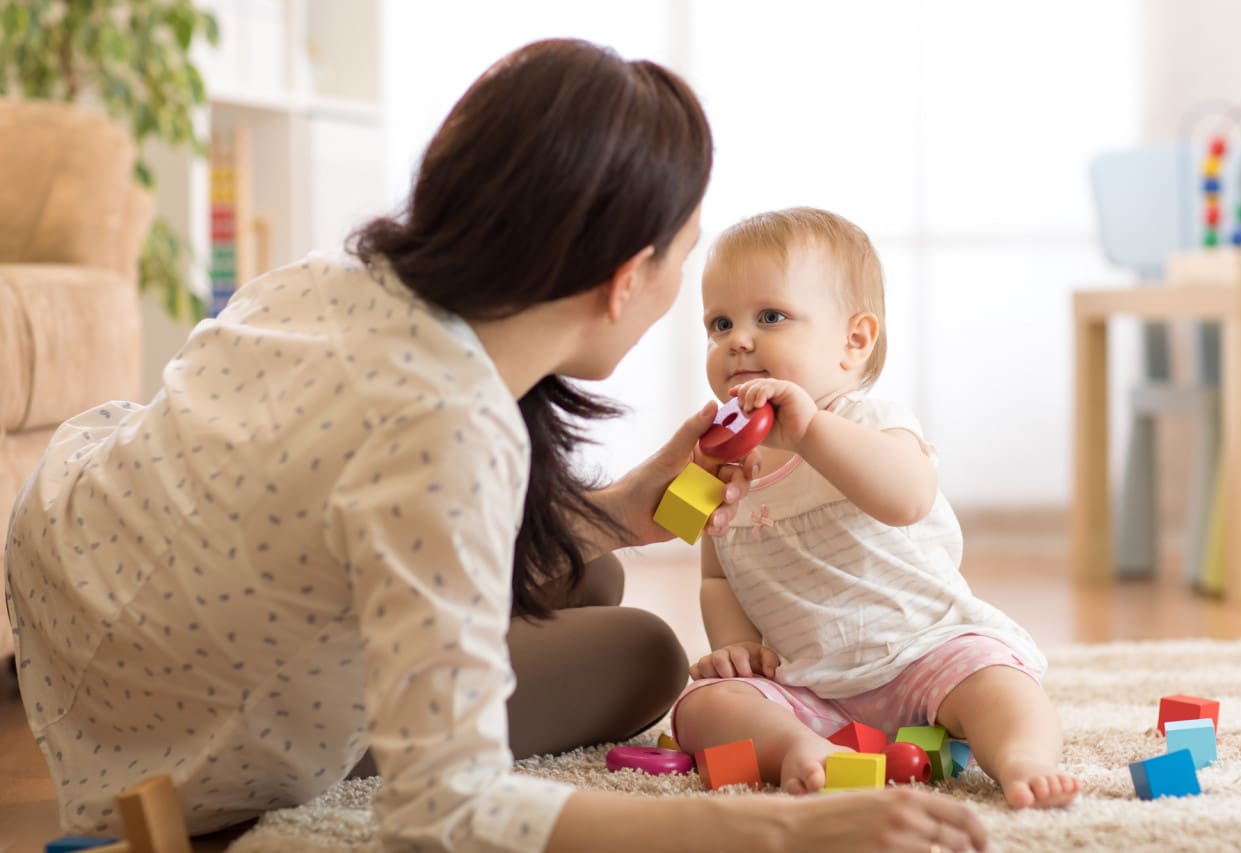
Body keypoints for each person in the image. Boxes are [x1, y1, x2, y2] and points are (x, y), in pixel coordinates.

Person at [4, 41, 987, 853]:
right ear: (625, 276)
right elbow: (448, 809)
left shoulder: (343, 274)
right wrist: (774, 831)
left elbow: (382, 505)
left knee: (593, 574)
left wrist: (634, 500)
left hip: (84, 572)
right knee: (644, 651)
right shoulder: (450, 433)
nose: (724, 336)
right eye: (692, 276)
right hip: (190, 727)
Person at [674, 207, 1081, 811]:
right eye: (719, 323)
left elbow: (907, 497)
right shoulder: (721, 462)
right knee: (704, 706)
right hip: (810, 685)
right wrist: (737, 648)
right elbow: (716, 572)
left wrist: (810, 432)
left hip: (925, 653)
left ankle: (1022, 756)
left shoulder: (867, 423)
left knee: (999, 682)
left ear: (854, 341)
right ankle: (799, 748)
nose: (738, 339)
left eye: (771, 317)